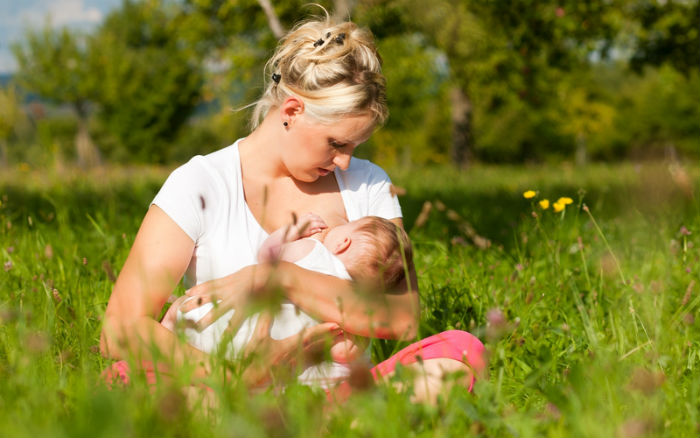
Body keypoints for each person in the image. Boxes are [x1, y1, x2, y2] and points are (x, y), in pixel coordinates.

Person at [100, 15, 485, 401]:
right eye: (336, 144)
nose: (346, 162)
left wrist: (281, 278)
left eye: (354, 147)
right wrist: (231, 375)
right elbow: (120, 329)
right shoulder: (202, 183)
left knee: (462, 352)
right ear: (292, 111)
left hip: (338, 393)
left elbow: (400, 318)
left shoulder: (368, 185)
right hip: (224, 388)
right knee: (125, 377)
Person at [161, 213, 412, 387]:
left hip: (232, 328)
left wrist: (291, 233)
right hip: (274, 358)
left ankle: (163, 334)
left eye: (347, 224)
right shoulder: (357, 307)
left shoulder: (313, 250)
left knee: (181, 310)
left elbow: (267, 257)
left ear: (344, 242)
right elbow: (343, 353)